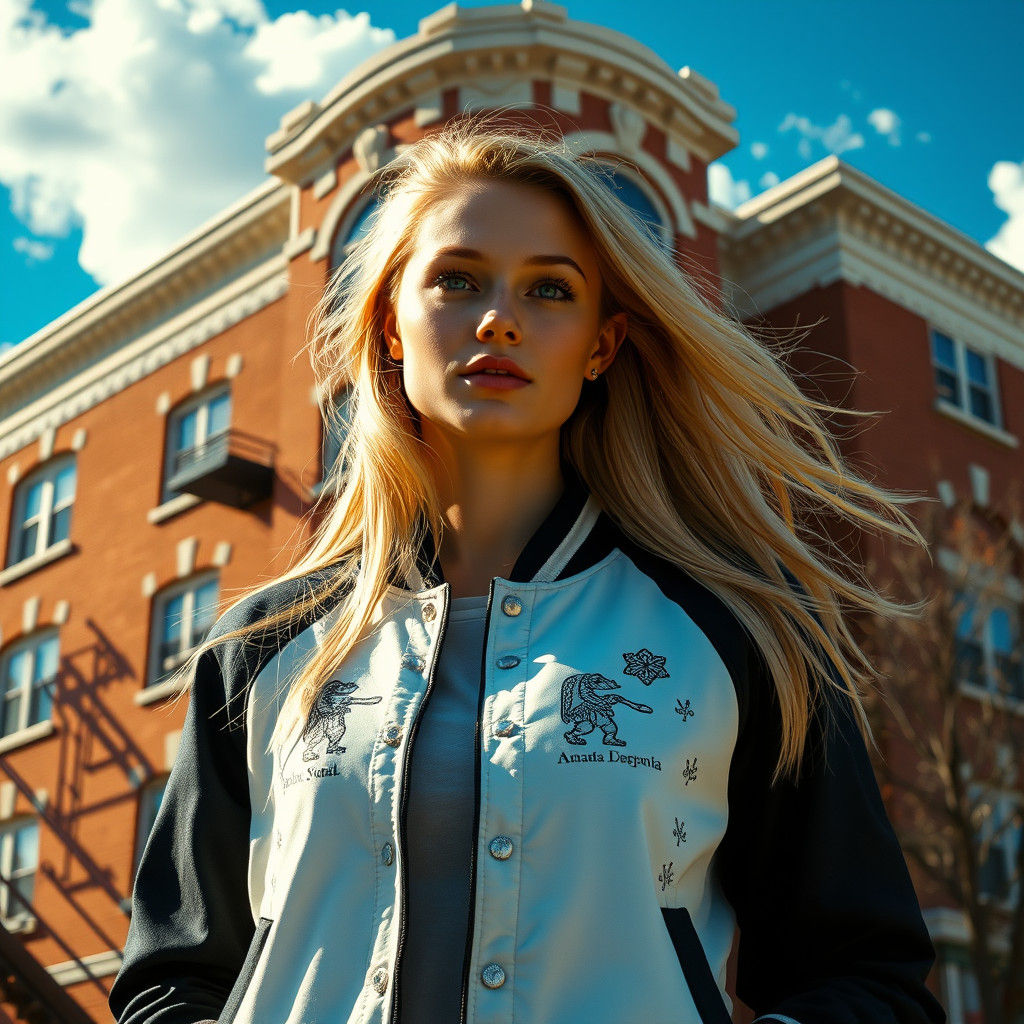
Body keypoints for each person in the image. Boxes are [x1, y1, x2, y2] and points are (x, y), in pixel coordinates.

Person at [107, 116, 948, 1024]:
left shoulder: (744, 634)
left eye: (549, 290)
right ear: (390, 324)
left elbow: (869, 977)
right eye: (458, 280)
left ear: (602, 346)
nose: (499, 317)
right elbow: (170, 978)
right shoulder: (260, 648)